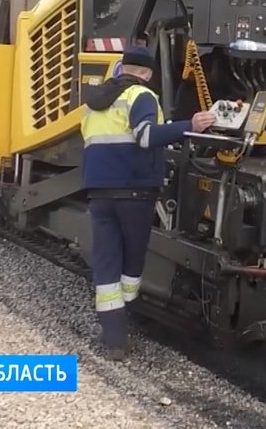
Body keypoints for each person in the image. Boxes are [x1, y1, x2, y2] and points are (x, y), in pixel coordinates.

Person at [80, 46, 216, 360]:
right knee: (131, 264)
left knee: (107, 264)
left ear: (121, 67)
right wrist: (189, 126)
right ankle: (129, 317)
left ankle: (113, 338)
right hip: (134, 193)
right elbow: (144, 136)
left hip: (99, 192)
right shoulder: (140, 95)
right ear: (147, 74)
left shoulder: (94, 102)